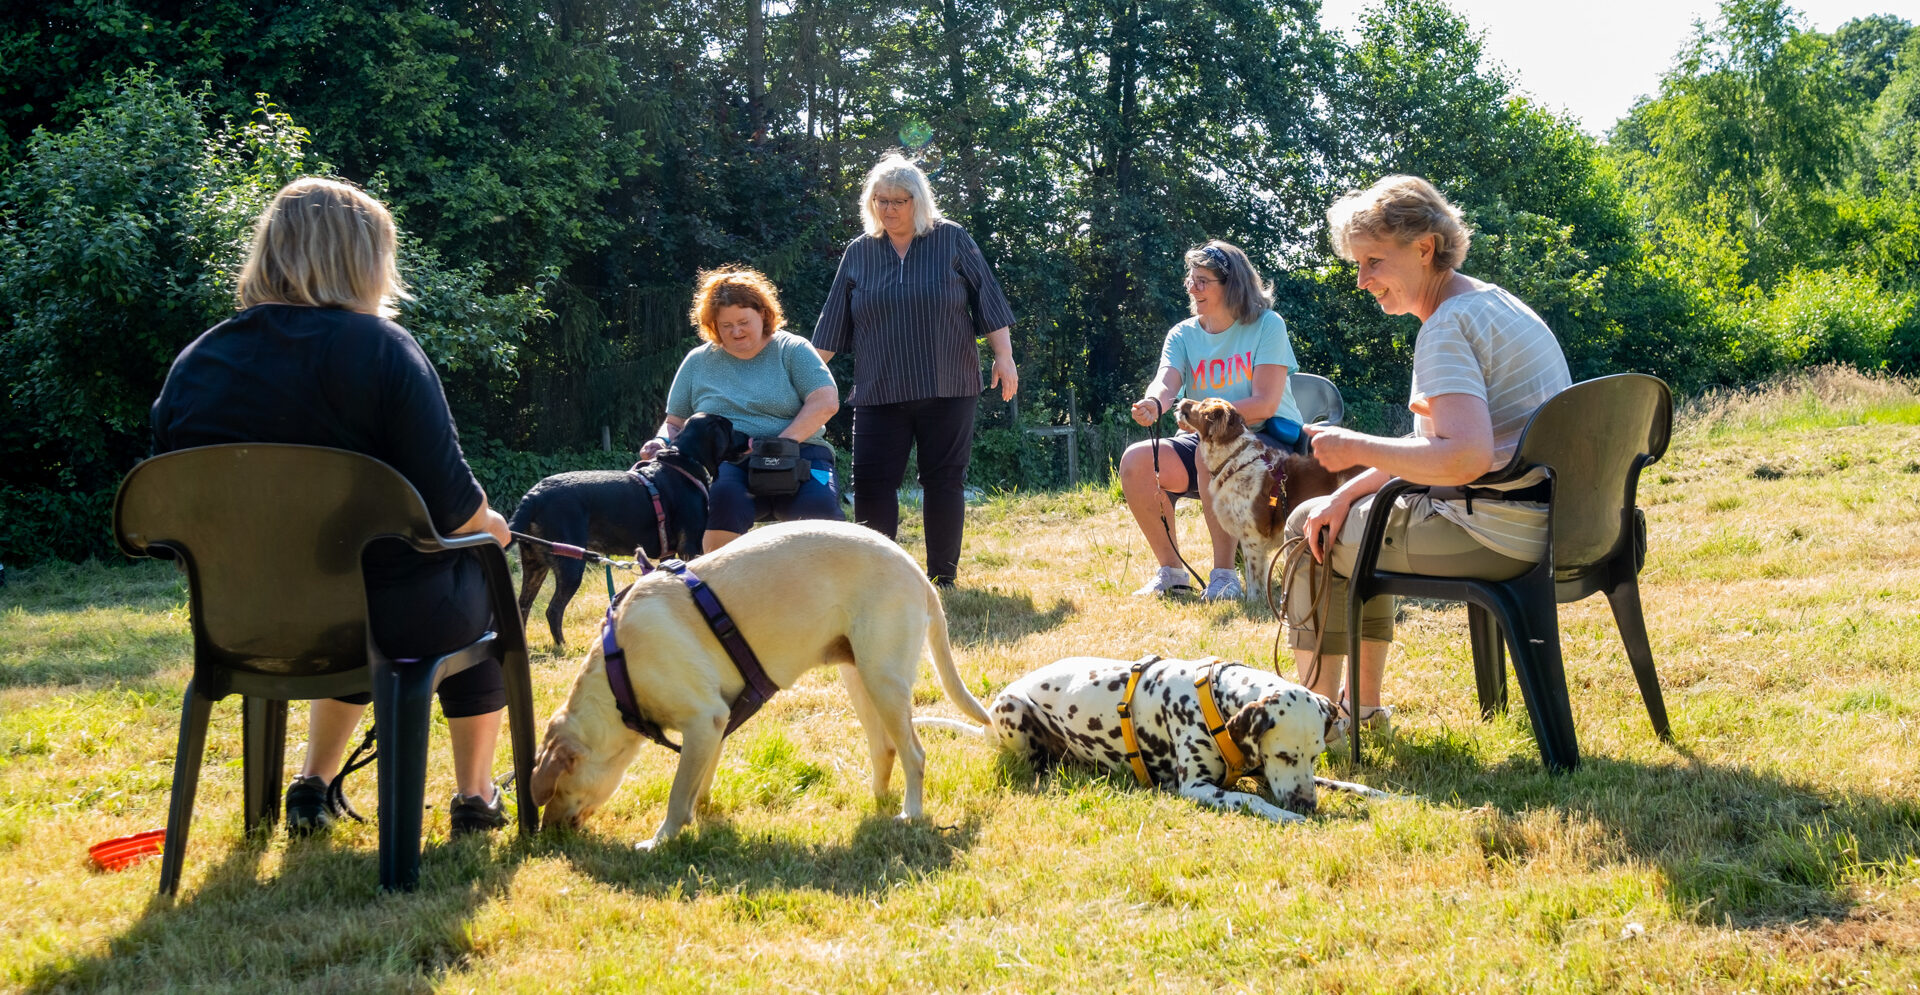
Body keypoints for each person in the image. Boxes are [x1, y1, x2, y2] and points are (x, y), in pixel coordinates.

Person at [151, 177, 513, 839]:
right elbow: (456, 511)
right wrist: (492, 528)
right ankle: (474, 797)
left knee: (352, 594)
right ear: (362, 260)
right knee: (474, 572)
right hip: (393, 618)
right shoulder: (384, 353)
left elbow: (170, 515)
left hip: (245, 620)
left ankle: (311, 782)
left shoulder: (196, 362)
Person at [1287, 174, 1572, 734]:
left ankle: (1310, 721)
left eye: (1374, 261)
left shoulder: (1445, 326)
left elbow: (1462, 458)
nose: (1364, 280)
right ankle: (1357, 710)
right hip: (1562, 522)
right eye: (1358, 265)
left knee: (1305, 531)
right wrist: (1345, 493)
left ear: (1424, 248)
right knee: (1341, 517)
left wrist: (1351, 445)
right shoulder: (1495, 303)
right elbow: (1432, 451)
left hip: (1500, 533)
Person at [812, 154, 1017, 588]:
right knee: (869, 484)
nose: (888, 209)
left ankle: (943, 577)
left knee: (943, 481)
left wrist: (1004, 356)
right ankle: (875, 577)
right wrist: (802, 377)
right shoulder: (859, 252)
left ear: (918, 202)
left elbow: (989, 300)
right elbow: (831, 326)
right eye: (880, 200)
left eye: (898, 200)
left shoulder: (951, 239)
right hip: (878, 387)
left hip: (948, 384)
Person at [1121, 240, 1305, 600]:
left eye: (1203, 280)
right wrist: (1155, 402)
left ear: (1231, 285)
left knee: (1212, 453)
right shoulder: (1183, 333)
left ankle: (1224, 577)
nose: (1192, 288)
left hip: (1268, 442)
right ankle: (1172, 573)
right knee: (1137, 461)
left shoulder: (1268, 325)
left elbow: (1266, 403)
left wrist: (1204, 422)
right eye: (1190, 279)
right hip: (1206, 440)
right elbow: (1166, 380)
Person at [640, 267, 841, 551]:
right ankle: (716, 584)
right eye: (726, 325)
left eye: (743, 321)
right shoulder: (698, 361)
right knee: (720, 503)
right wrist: (660, 441)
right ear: (713, 326)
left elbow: (826, 402)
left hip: (800, 451)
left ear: (763, 314)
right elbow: (675, 422)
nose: (736, 332)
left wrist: (776, 445)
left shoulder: (793, 349)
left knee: (822, 513)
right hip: (729, 463)